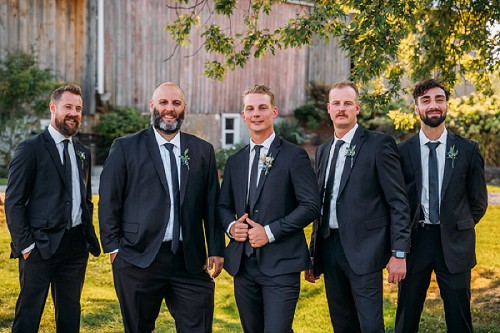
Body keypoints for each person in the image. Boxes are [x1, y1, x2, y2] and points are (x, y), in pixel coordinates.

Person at [98, 82, 224, 333]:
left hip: (189, 261)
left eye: (176, 103)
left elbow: (211, 205)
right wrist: (113, 248)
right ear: (152, 106)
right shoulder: (125, 147)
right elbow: (110, 200)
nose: (169, 109)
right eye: (164, 103)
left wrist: (217, 249)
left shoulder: (202, 151)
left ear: (184, 108)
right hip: (137, 258)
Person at [305, 81, 411, 332]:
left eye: (348, 104)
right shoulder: (323, 151)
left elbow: (398, 201)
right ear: (329, 109)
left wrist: (399, 252)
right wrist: (313, 252)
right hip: (329, 247)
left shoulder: (378, 145)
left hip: (366, 248)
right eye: (337, 104)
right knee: (341, 323)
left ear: (357, 108)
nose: (342, 109)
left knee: (370, 325)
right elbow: (320, 205)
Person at [217, 84, 320, 333]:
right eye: (250, 109)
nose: (256, 114)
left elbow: (311, 205)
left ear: (274, 112)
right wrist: (232, 228)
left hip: (282, 264)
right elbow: (222, 205)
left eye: (262, 108)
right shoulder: (235, 161)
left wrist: (270, 232)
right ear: (243, 115)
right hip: (243, 266)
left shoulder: (294, 156)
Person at [5, 83, 101, 333]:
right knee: (28, 316)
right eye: (68, 106)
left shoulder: (82, 152)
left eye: (78, 108)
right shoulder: (30, 149)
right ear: (53, 108)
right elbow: (13, 201)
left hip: (75, 247)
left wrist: (86, 239)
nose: (74, 113)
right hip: (39, 246)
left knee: (70, 317)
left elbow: (85, 199)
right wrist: (26, 247)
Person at [395, 79, 488, 333]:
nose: (433, 105)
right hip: (416, 242)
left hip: (455, 243)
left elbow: (478, 201)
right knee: (407, 317)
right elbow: (397, 202)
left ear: (447, 105)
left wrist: (457, 223)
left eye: (438, 99)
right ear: (416, 109)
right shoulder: (402, 151)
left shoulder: (467, 150)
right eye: (425, 101)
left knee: (459, 319)